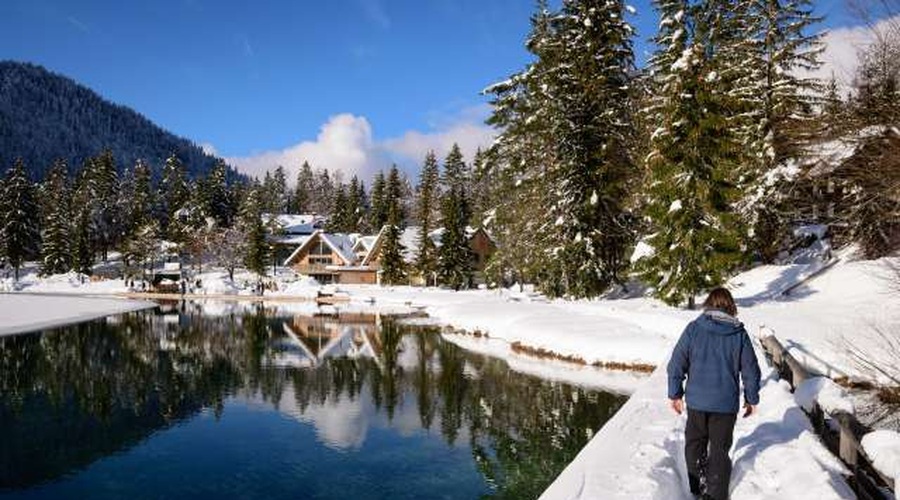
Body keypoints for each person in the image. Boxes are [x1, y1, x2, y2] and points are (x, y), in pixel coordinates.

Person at [667, 287, 761, 500]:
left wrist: (675, 394)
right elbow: (751, 370)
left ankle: (697, 488)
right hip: (725, 406)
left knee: (694, 444)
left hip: (697, 403)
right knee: (719, 450)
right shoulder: (739, 335)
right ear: (731, 307)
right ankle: (716, 494)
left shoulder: (693, 329)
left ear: (708, 304)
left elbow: (676, 364)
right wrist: (751, 399)